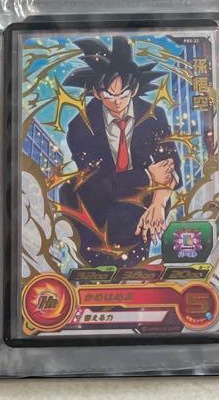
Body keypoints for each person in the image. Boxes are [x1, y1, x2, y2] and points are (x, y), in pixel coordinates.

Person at [59, 37, 181, 266]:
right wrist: (147, 176)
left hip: (140, 209)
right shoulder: (80, 127)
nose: (116, 102)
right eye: (109, 95)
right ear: (97, 93)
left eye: (123, 94)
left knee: (135, 261)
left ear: (134, 90)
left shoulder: (154, 116)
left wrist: (158, 202)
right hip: (97, 210)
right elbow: (98, 184)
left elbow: (170, 167)